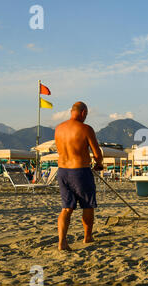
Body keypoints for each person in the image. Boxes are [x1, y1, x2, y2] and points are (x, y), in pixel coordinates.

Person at [55, 101, 103, 251]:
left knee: (66, 209)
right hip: (80, 171)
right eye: (86, 115)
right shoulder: (86, 129)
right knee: (88, 206)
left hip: (62, 171)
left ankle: (62, 242)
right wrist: (99, 163)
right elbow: (97, 154)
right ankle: (87, 237)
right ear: (83, 113)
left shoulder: (58, 129)